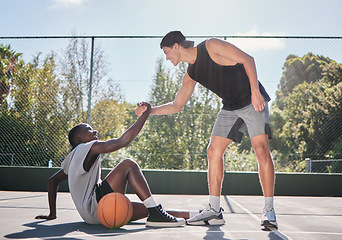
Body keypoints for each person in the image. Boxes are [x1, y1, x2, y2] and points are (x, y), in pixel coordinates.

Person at [135, 31, 277, 228]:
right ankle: (214, 211)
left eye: (167, 52)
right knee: (213, 151)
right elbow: (176, 105)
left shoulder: (210, 46)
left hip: (252, 100)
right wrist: (148, 111)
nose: (166, 58)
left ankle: (269, 210)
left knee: (261, 150)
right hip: (230, 107)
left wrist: (255, 91)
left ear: (177, 46)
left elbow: (248, 60)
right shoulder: (191, 74)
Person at [35, 102, 187, 227]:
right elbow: (122, 141)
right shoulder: (85, 148)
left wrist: (52, 214)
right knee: (128, 165)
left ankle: (194, 215)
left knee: (152, 209)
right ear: (77, 137)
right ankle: (155, 212)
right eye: (88, 130)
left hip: (92, 216)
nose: (94, 131)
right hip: (98, 205)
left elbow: (52, 181)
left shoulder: (72, 159)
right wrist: (145, 115)